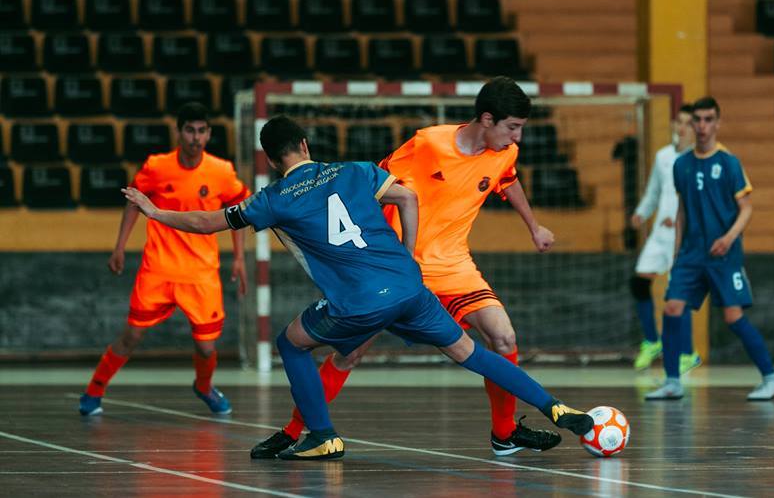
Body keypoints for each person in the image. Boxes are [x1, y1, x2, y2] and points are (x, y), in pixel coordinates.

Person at [121, 115, 596, 461]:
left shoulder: (273, 199)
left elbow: (209, 221)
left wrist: (155, 212)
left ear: (271, 158)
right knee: (473, 354)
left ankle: (322, 435)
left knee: (291, 342)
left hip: (356, 300)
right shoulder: (354, 170)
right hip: (409, 286)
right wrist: (408, 254)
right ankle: (554, 406)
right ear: (306, 144)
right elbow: (407, 196)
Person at [251, 76, 562, 459]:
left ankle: (505, 433)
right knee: (350, 354)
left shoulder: (505, 152)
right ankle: (295, 430)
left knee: (504, 338)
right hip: (400, 269)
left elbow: (507, 181)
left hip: (454, 265)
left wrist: (533, 227)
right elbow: (376, 188)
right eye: (512, 127)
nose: (517, 138)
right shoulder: (428, 143)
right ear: (486, 119)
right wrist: (373, 258)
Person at [78, 103, 250, 417]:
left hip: (201, 272)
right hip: (159, 267)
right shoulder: (157, 166)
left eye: (201, 131)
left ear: (209, 134)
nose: (195, 138)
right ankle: (94, 390)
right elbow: (133, 202)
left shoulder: (221, 171)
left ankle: (204, 386)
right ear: (178, 132)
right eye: (189, 130)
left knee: (207, 347)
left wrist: (238, 257)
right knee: (132, 335)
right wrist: (119, 246)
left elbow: (237, 211)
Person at [645, 96, 774, 402]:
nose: (703, 126)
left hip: (724, 254)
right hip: (691, 255)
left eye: (709, 119)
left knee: (733, 317)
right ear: (692, 124)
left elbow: (746, 208)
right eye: (698, 120)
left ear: (718, 123)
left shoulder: (729, 163)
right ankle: (672, 381)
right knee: (672, 308)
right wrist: (677, 253)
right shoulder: (681, 165)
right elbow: (681, 210)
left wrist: (729, 237)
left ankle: (771, 377)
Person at [630, 104, 700, 373]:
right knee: (639, 282)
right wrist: (642, 213)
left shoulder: (698, 159)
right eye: (679, 122)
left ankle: (688, 353)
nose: (682, 128)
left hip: (685, 236)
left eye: (688, 124)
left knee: (677, 293)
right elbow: (654, 192)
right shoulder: (663, 157)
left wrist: (684, 219)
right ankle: (651, 340)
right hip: (661, 233)